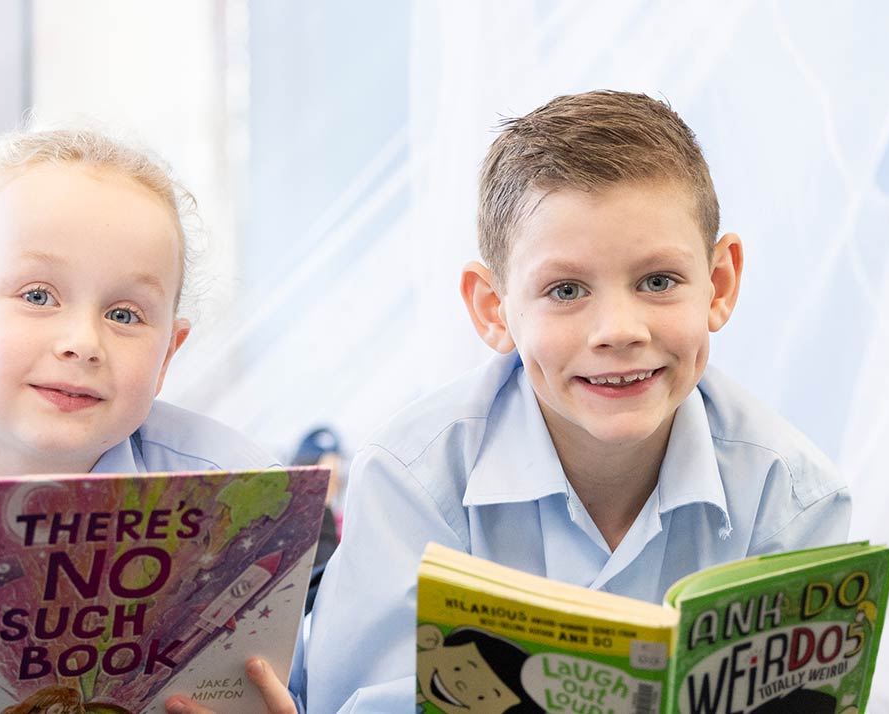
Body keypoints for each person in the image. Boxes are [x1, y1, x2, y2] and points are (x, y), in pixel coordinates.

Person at [295, 90, 853, 712]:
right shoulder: (410, 481)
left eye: (658, 281)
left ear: (718, 285)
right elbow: (354, 702)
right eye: (566, 289)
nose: (619, 329)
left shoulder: (793, 496)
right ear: (493, 309)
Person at [0, 125, 293, 714]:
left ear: (168, 353)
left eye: (124, 313)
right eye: (38, 296)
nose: (83, 342)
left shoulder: (241, 495)